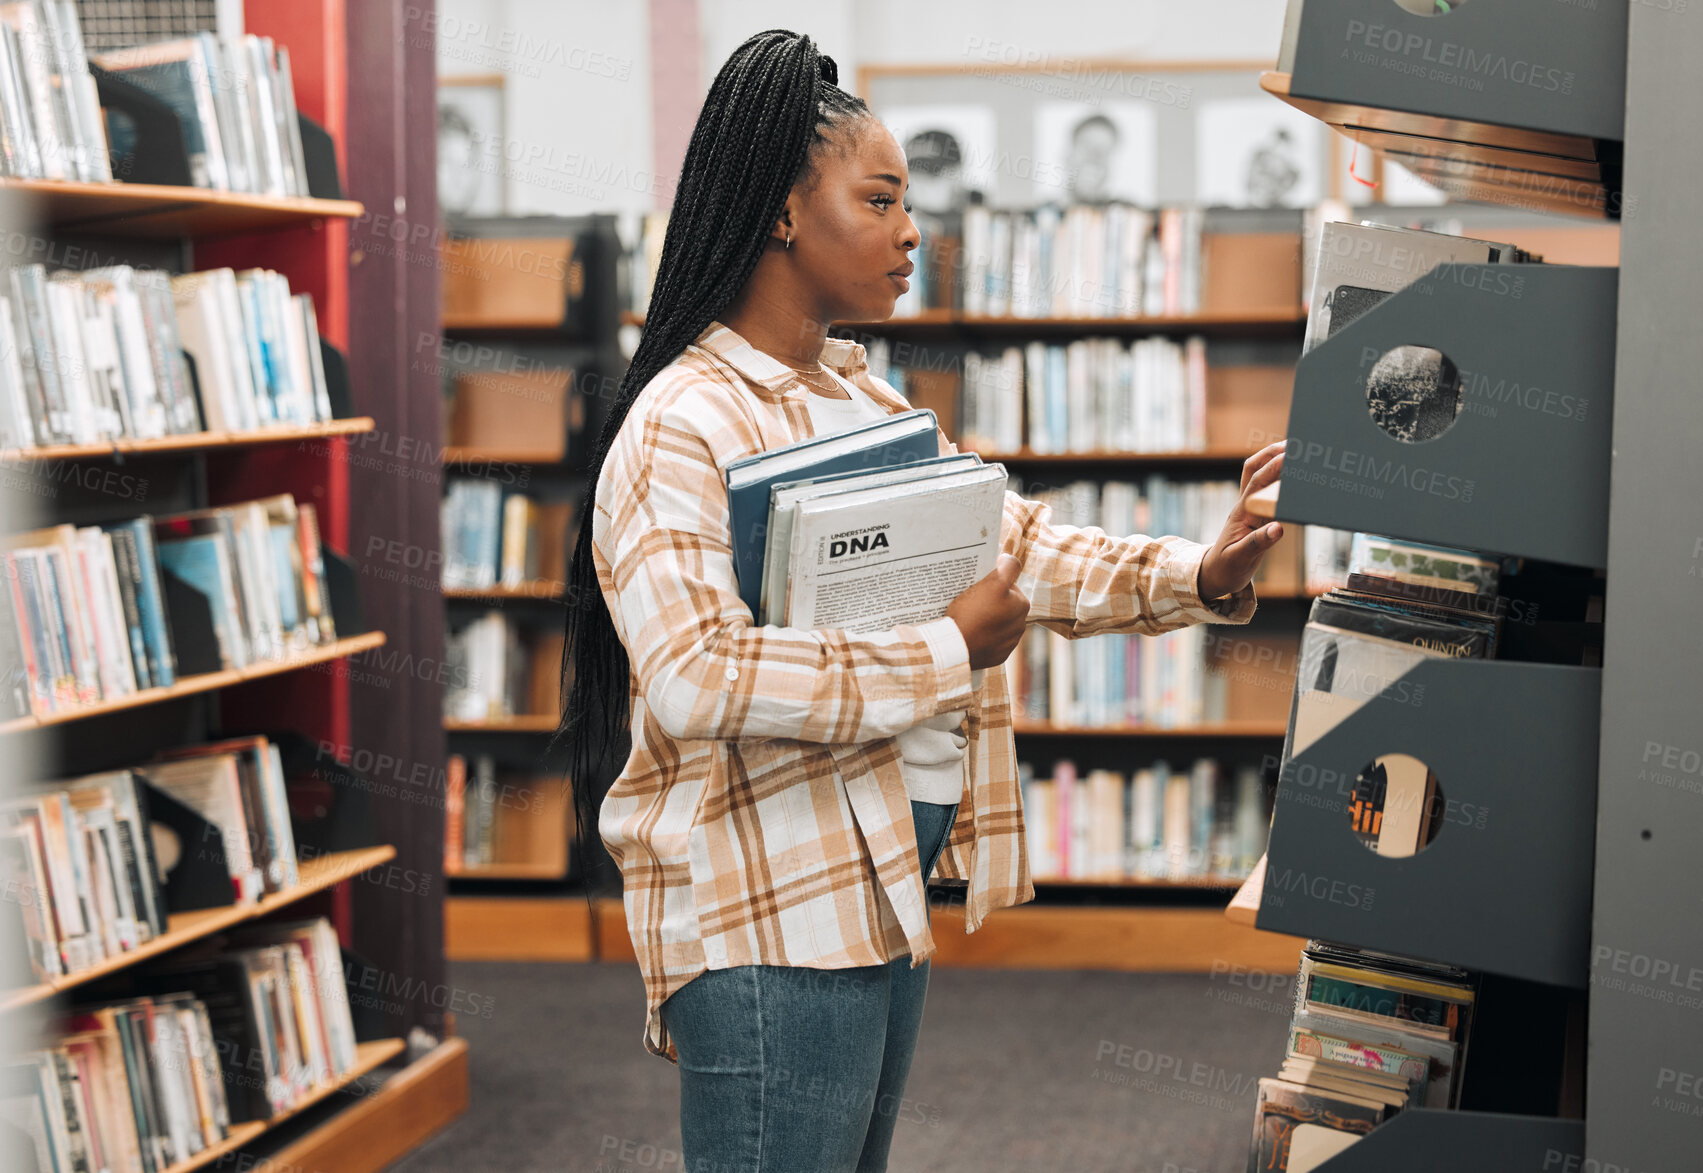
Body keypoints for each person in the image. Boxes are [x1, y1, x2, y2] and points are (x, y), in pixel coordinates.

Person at [557, 29, 1285, 1173]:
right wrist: (945, 654)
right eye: (881, 199)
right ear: (784, 212)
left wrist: (1202, 570)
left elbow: (1020, 547)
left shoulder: (862, 399)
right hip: (767, 905)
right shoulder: (681, 424)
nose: (913, 230)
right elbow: (699, 673)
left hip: (884, 874)